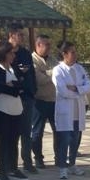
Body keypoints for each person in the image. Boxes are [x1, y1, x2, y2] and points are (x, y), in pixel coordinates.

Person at [0, 41, 27, 180]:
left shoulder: (13, 68)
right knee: (2, 140)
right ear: (3, 54)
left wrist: (13, 87)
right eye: (10, 52)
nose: (13, 55)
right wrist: (14, 88)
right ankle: (2, 170)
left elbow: (22, 84)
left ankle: (13, 168)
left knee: (14, 140)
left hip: (15, 109)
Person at [52, 41, 90, 180]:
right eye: (72, 52)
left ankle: (72, 164)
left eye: (75, 52)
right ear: (65, 54)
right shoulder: (58, 70)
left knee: (75, 140)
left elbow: (89, 86)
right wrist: (80, 91)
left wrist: (76, 88)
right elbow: (63, 91)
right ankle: (62, 167)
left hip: (78, 111)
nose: (75, 55)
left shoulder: (79, 68)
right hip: (65, 112)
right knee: (64, 140)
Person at [7, 22, 37, 174]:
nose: (22, 37)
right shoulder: (2, 51)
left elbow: (31, 73)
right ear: (11, 35)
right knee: (11, 132)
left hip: (27, 97)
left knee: (26, 131)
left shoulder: (26, 53)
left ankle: (27, 161)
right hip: (11, 98)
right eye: (19, 34)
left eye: (23, 34)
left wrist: (33, 91)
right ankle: (9, 164)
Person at [31, 34, 58, 168]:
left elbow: (60, 76)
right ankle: (38, 158)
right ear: (38, 45)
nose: (49, 48)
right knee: (37, 132)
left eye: (50, 45)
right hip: (39, 101)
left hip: (54, 100)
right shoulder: (32, 60)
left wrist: (47, 73)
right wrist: (53, 73)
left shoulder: (53, 59)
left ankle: (59, 157)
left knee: (58, 130)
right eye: (46, 45)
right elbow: (39, 80)